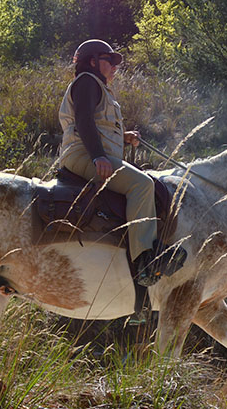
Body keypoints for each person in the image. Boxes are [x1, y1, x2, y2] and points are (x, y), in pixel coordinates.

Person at [57, 39, 185, 286]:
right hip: (83, 156)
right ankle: (144, 261)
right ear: (93, 62)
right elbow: (83, 121)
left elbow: (99, 126)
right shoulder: (86, 81)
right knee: (142, 185)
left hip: (92, 154)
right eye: (110, 60)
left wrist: (124, 138)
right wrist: (97, 156)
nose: (115, 66)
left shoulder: (99, 88)